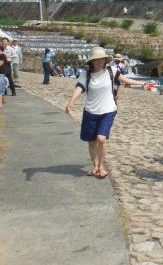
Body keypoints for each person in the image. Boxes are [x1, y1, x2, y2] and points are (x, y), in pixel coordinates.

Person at [65, 47, 152, 179]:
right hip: (90, 111)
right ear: (91, 61)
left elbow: (125, 79)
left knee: (101, 138)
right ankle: (95, 166)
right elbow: (80, 88)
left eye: (102, 59)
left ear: (105, 60)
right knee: (91, 141)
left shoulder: (111, 70)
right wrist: (71, 101)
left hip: (108, 110)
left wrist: (142, 83)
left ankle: (101, 167)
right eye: (96, 60)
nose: (100, 62)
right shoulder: (85, 74)